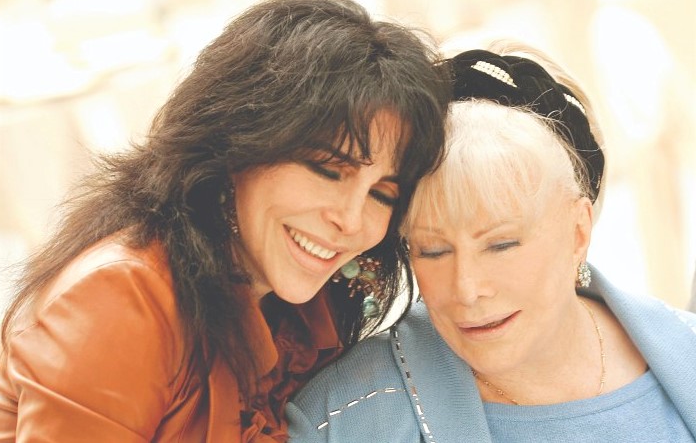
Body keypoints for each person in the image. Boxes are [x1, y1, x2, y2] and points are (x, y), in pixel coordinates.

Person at [0, 0, 450, 442]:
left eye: (382, 194)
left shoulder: (300, 311)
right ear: (238, 144)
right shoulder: (124, 300)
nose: (350, 220)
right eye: (327, 170)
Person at [286, 41, 696, 442]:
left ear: (578, 232)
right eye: (433, 251)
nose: (466, 289)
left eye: (501, 245)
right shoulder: (335, 421)